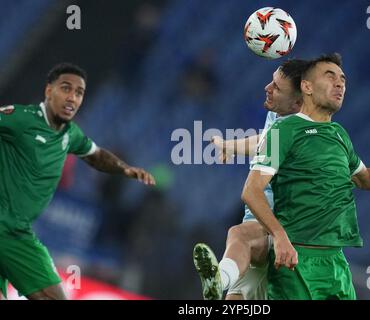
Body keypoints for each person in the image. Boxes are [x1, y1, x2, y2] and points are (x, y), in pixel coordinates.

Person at [240, 53, 370, 299]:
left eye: (343, 79)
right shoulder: (283, 130)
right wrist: (280, 236)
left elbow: (365, 178)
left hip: (336, 262)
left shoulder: (338, 134)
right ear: (306, 86)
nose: (340, 84)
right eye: (330, 77)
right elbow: (251, 191)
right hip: (297, 261)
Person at [0, 63, 155, 300]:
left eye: (79, 92)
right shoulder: (20, 118)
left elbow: (96, 156)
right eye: (66, 88)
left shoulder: (70, 133)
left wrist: (125, 169)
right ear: (49, 91)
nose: (72, 97)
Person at [193, 59, 308, 300]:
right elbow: (266, 141)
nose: (267, 87)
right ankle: (222, 280)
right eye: (271, 80)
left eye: (277, 87)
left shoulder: (301, 133)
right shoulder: (279, 117)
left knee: (239, 235)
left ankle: (219, 279)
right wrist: (231, 146)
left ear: (297, 103)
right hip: (262, 226)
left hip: (279, 229)